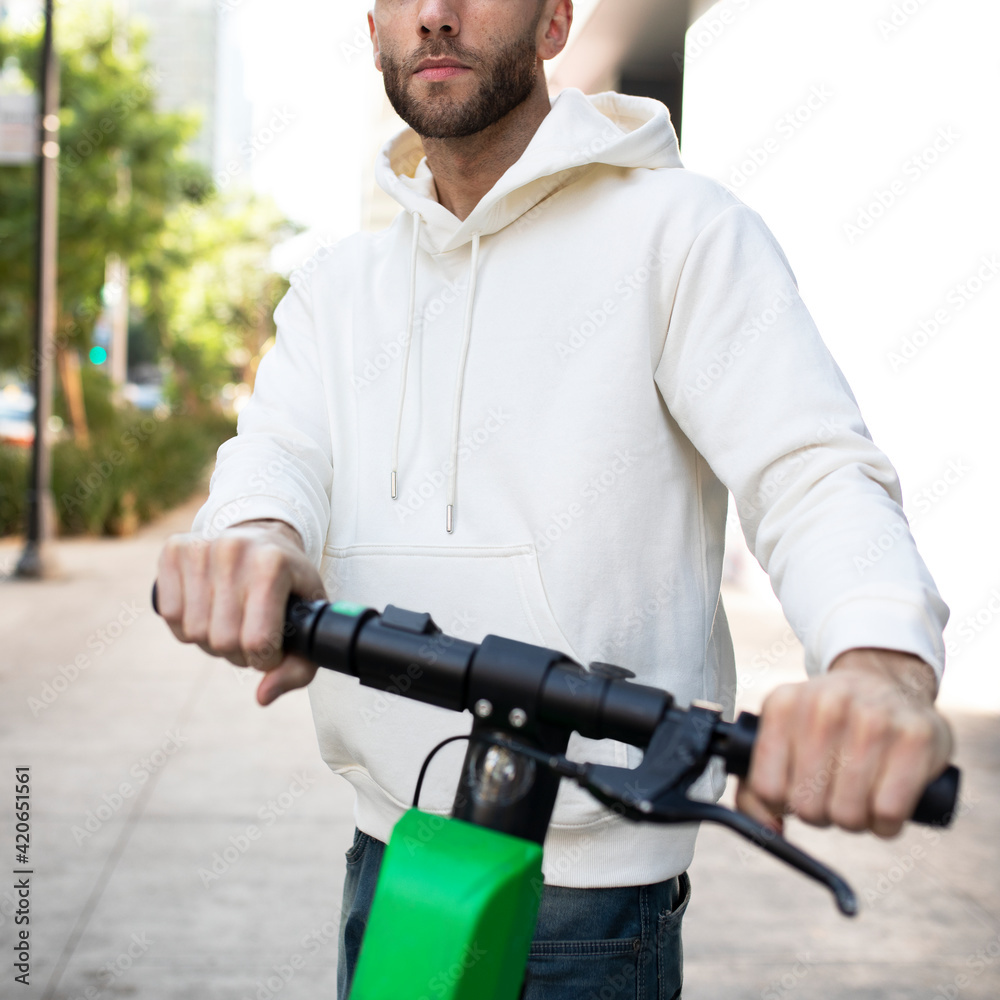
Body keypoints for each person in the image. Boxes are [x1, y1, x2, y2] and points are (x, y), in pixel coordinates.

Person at [155, 2, 954, 997]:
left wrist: (878, 666)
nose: (436, 15)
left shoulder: (682, 231)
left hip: (586, 898)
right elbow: (272, 458)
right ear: (371, 31)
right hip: (388, 854)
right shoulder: (335, 284)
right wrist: (249, 541)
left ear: (554, 22)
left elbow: (813, 471)